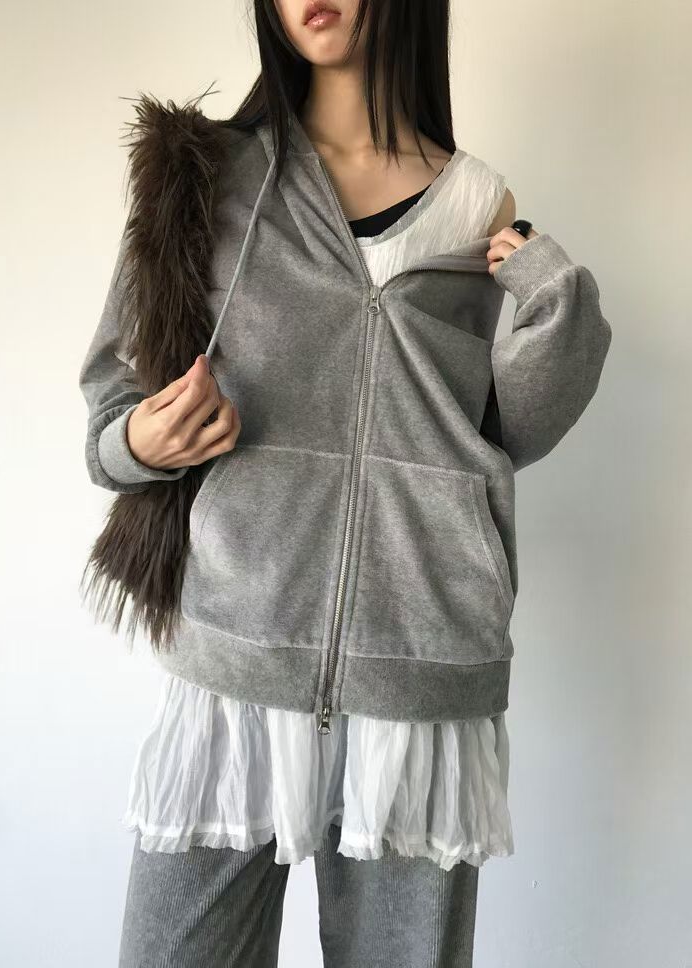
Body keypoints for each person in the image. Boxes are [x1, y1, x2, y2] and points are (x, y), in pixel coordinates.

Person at [78, 1, 613, 965]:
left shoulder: (476, 202)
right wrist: (143, 442)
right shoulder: (205, 176)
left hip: (419, 672)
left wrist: (553, 299)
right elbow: (111, 404)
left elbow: (504, 434)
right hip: (236, 665)